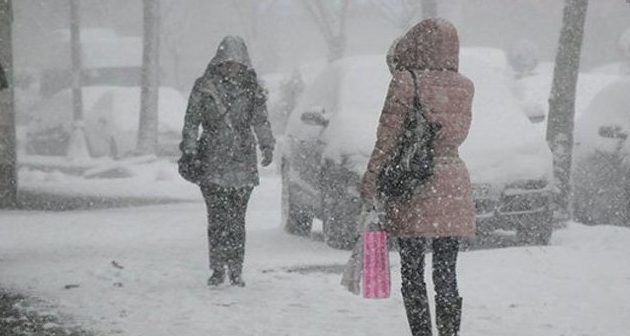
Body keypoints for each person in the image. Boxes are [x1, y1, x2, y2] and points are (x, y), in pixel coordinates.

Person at [361, 19, 475, 336]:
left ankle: (422, 333)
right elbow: (455, 133)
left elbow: (387, 139)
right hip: (453, 181)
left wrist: (370, 179)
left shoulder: (405, 82)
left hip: (414, 182)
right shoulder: (465, 85)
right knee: (446, 271)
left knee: (413, 270)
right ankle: (450, 333)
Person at [180, 36, 275, 287]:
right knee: (217, 218)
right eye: (227, 62)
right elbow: (191, 121)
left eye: (235, 63)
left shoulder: (252, 88)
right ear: (218, 62)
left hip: (242, 160)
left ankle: (235, 268)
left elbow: (260, 121)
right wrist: (189, 151)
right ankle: (218, 268)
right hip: (211, 161)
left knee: (237, 219)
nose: (230, 67)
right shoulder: (204, 87)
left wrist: (267, 145)